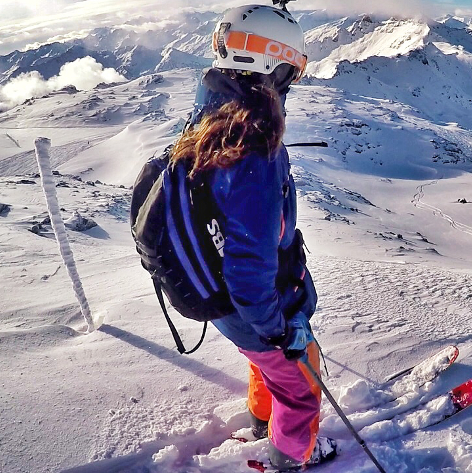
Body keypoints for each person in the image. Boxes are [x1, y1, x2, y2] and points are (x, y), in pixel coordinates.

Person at [169, 5, 331, 471]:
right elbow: (249, 259)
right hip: (247, 299)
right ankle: (291, 457)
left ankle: (263, 418)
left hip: (217, 292)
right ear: (271, 64)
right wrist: (276, 328)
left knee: (264, 359)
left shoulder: (211, 112)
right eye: (290, 72)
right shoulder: (254, 149)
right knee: (299, 381)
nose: (289, 83)